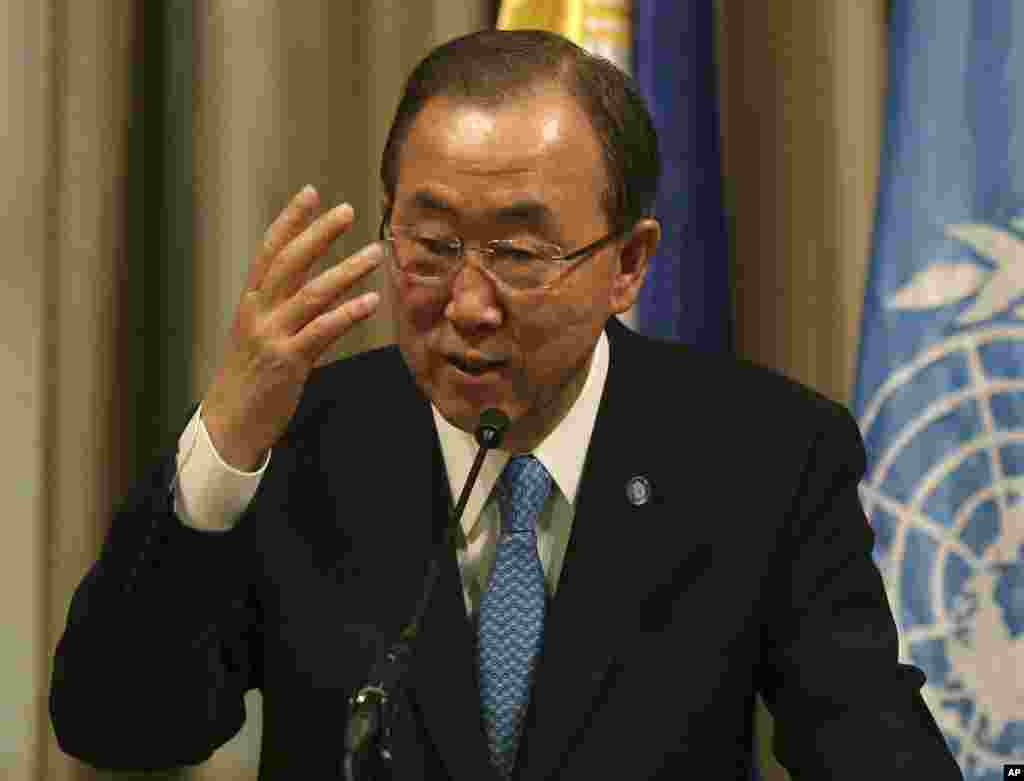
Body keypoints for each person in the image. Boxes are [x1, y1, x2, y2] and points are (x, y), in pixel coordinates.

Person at [49, 29, 964, 780]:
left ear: (629, 264)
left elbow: (873, 750)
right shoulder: (299, 444)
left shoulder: (762, 456)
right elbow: (119, 727)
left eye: (520, 257)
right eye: (432, 244)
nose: (468, 304)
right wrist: (224, 446)